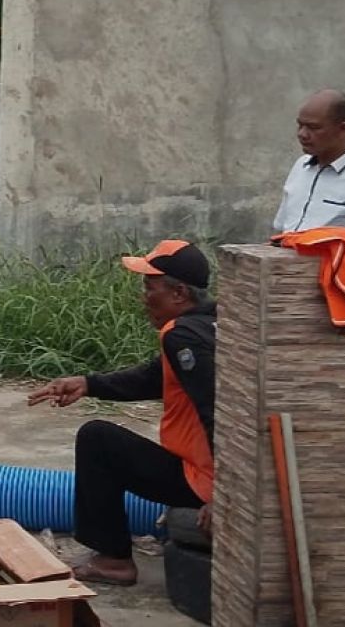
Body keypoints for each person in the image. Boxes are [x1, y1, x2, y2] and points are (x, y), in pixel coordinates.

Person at [28, 240, 216, 586]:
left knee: (97, 439)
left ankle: (113, 560)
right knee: (103, 437)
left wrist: (224, 494)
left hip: (202, 481)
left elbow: (215, 408)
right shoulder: (210, 325)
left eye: (149, 287)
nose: (144, 296)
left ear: (178, 293)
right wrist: (88, 383)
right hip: (208, 475)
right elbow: (155, 377)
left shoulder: (183, 337)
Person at [273, 88, 345, 233]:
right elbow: (281, 228)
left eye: (313, 127)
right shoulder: (300, 167)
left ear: (343, 129)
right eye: (300, 125)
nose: (302, 134)